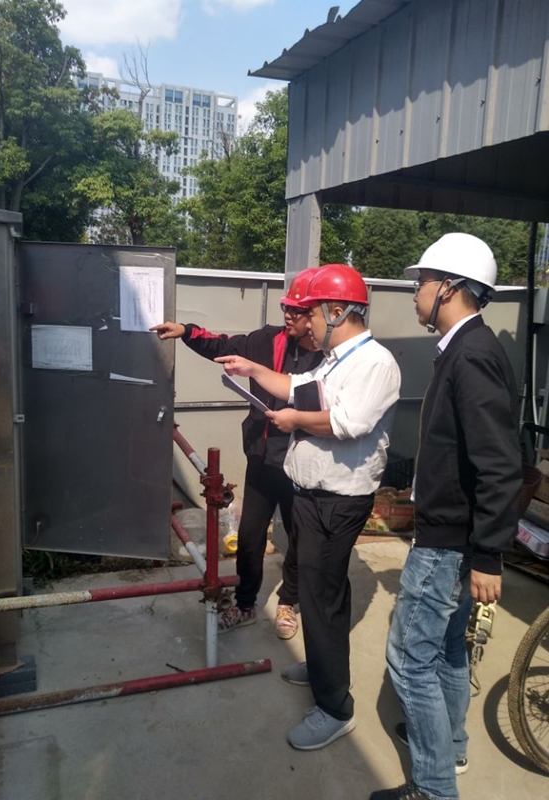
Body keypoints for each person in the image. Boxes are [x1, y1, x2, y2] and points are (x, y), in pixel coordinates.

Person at [215, 264, 401, 750]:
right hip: (313, 496)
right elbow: (298, 387)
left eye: (312, 314)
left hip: (338, 501)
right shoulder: (335, 359)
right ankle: (322, 670)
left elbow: (346, 423)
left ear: (337, 311)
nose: (306, 324)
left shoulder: (375, 363)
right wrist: (253, 371)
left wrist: (295, 420)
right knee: (322, 595)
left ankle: (335, 709)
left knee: (322, 599)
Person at [370, 233, 523, 800]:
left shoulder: (472, 355)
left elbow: (499, 464)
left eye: (421, 282)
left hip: (447, 543)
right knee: (450, 646)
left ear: (450, 288)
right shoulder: (466, 349)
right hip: (455, 536)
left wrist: (488, 554)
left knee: (410, 659)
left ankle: (434, 786)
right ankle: (449, 745)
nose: (415, 293)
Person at [151, 268, 323, 638]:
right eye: (286, 308)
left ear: (317, 315)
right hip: (261, 459)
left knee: (300, 538)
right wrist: (185, 331)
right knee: (249, 538)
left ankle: (288, 603)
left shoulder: (331, 356)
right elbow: (221, 344)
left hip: (302, 465)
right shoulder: (267, 340)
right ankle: (246, 605)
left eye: (296, 311)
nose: (288, 316)